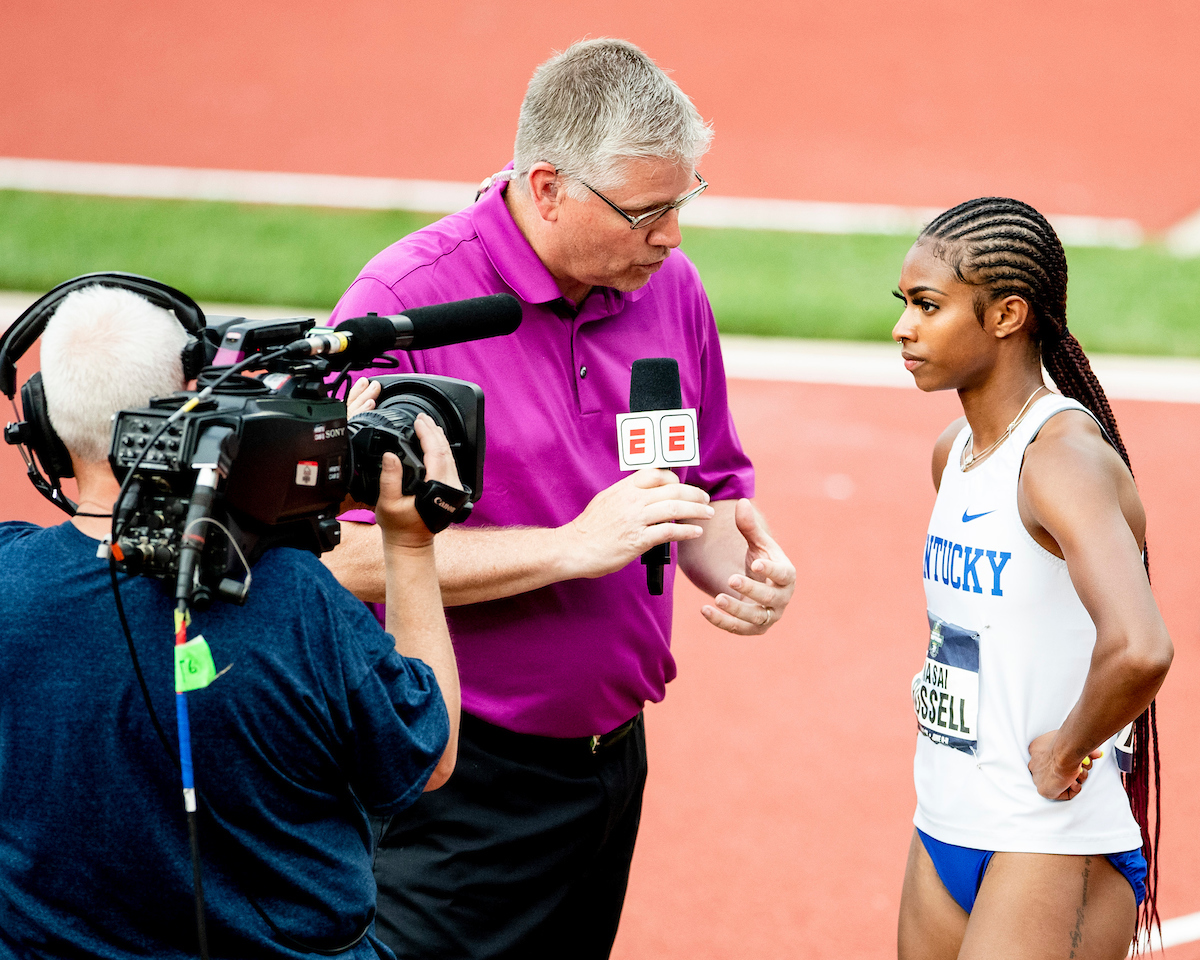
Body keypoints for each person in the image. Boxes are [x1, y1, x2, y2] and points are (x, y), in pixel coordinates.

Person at [323, 38, 796, 959]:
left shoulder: (670, 289)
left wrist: (744, 568)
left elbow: (699, 493)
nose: (672, 236)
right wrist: (567, 547)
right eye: (647, 212)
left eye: (683, 200)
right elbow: (340, 557)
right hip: (458, 788)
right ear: (547, 188)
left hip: (611, 765)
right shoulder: (403, 306)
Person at [0, 283, 462, 959]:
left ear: (44, 422)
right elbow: (431, 757)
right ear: (192, 410)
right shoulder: (293, 599)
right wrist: (411, 543)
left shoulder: (9, 577)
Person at [891, 197, 1173, 959]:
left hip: (1049, 840)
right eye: (904, 304)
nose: (903, 327)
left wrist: (1067, 748)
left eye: (928, 305)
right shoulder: (953, 452)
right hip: (947, 819)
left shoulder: (1060, 458)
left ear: (1008, 314)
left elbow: (1140, 647)